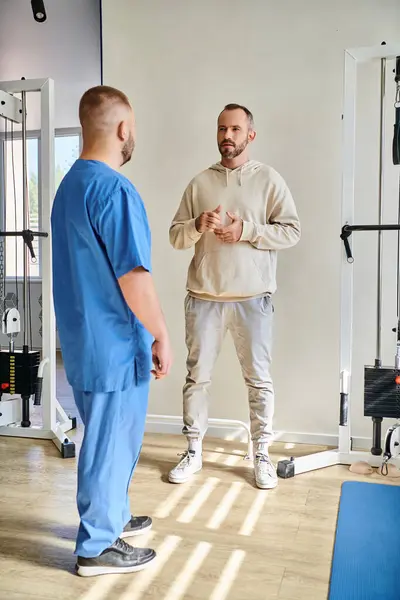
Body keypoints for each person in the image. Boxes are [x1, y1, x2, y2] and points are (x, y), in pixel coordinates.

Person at [51, 85, 172, 577]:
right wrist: (161, 331)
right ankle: (97, 546)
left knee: (108, 438)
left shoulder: (68, 187)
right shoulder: (113, 189)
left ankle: (114, 516)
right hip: (115, 344)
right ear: (123, 129)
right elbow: (134, 276)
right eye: (134, 126)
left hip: (85, 341)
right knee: (107, 442)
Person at [168, 103, 300, 490]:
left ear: (250, 135)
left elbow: (291, 232)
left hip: (253, 298)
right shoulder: (199, 183)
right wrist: (197, 224)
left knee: (259, 380)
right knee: (197, 378)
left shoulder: (269, 180)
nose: (228, 136)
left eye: (236, 129)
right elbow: (176, 236)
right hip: (204, 296)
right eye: (223, 129)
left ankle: (261, 454)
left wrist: (246, 230)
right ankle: (193, 451)